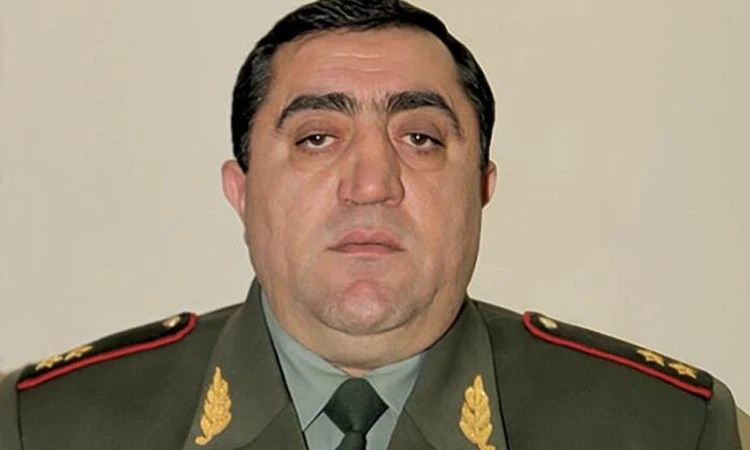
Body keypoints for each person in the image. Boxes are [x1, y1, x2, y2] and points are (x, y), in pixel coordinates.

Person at [0, 1, 743, 449]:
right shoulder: (46, 427)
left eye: (420, 137)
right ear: (242, 192)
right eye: (316, 138)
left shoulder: (665, 429)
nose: (371, 185)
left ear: (482, 188)